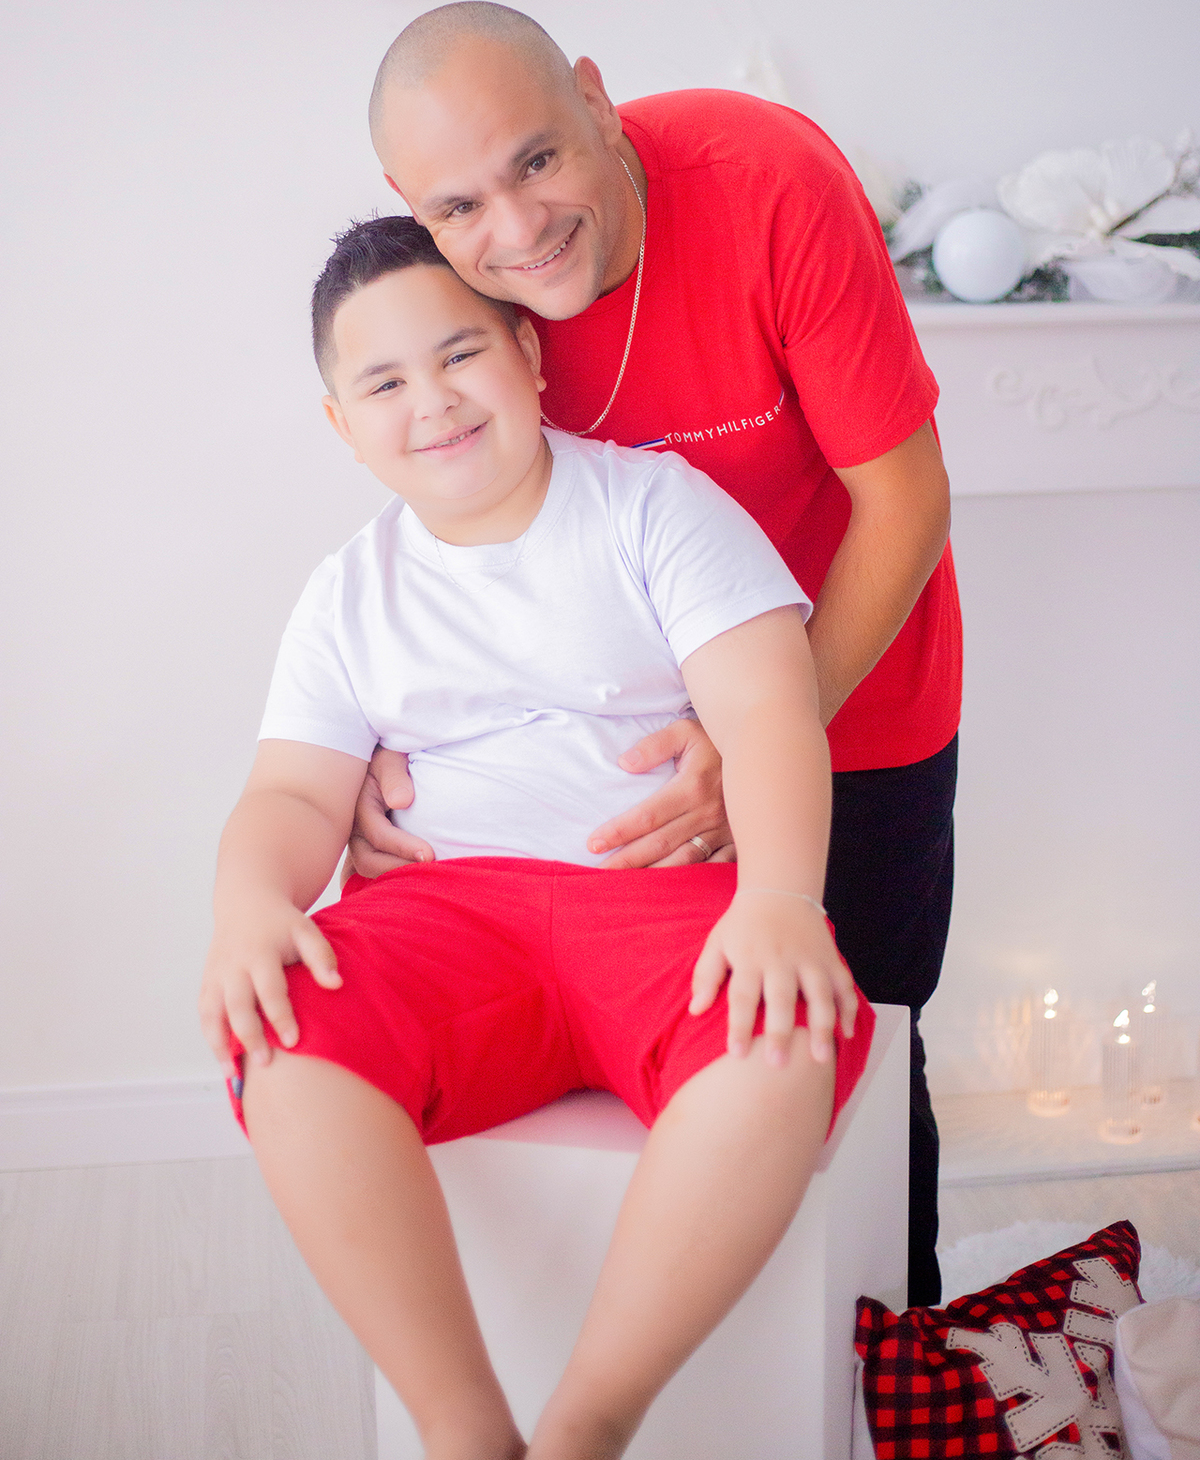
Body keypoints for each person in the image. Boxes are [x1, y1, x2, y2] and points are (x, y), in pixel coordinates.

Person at [200, 217, 872, 1460]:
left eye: (461, 354)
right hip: (449, 917)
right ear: (342, 425)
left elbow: (769, 712)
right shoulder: (349, 593)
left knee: (783, 1027)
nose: (434, 401)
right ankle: (463, 1426)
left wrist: (780, 894)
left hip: (655, 906)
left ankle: (586, 1421)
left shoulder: (652, 507)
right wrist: (250, 902)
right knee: (285, 1035)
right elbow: (293, 794)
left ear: (528, 353)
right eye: (385, 383)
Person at [358, 1, 961, 1307]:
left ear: (593, 94)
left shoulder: (766, 182)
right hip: (614, 755)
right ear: (414, 206)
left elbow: (904, 500)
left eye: (538, 160)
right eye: (460, 204)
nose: (515, 230)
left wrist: (755, 742)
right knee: (649, 1107)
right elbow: (440, 523)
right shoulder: (448, 280)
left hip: (854, 700)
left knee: (859, 1067)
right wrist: (360, 744)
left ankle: (899, 1385)